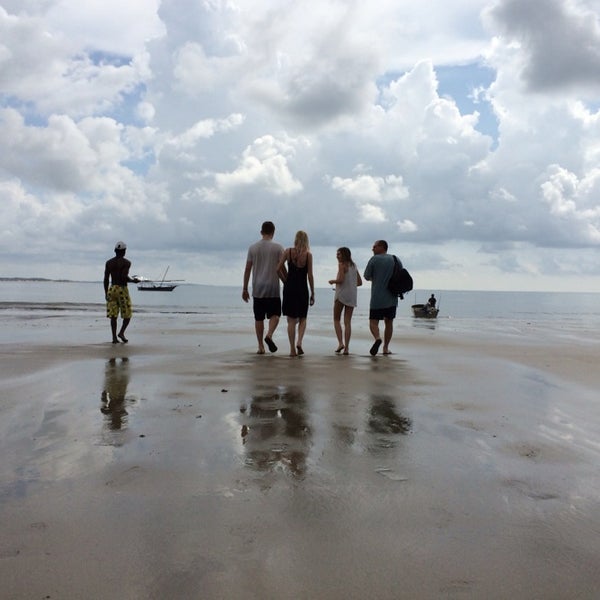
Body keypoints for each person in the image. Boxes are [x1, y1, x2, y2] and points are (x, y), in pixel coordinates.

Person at [242, 221, 285, 354]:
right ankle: (269, 335)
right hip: (273, 286)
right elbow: (282, 267)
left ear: (261, 232)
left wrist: (245, 288)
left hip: (258, 287)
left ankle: (260, 346)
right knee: (276, 315)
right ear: (273, 232)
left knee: (258, 318)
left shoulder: (253, 248)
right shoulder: (278, 248)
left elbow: (248, 269)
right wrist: (288, 282)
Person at [277, 230, 315, 357]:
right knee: (303, 318)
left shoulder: (288, 251)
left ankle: (292, 349)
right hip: (302, 289)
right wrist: (313, 292)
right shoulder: (308, 255)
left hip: (289, 289)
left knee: (291, 321)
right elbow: (310, 275)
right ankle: (299, 342)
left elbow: (277, 269)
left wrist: (285, 281)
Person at [363, 239, 399, 356]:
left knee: (373, 322)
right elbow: (400, 274)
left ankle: (378, 338)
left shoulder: (374, 259)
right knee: (389, 322)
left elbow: (366, 276)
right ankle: (386, 348)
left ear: (382, 247)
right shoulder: (395, 259)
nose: (372, 248)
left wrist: (376, 278)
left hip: (377, 298)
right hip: (392, 298)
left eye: (374, 246)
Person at [328, 247, 362, 355]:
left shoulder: (342, 265)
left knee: (336, 319)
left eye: (339, 254)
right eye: (337, 254)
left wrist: (333, 281)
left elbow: (341, 280)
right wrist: (350, 285)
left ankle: (340, 343)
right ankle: (347, 348)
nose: (337, 256)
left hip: (341, 295)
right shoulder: (354, 266)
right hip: (352, 296)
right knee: (347, 322)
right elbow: (360, 282)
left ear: (344, 255)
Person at [104, 241, 138, 344]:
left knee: (113, 315)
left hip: (112, 288)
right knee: (127, 314)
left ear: (115, 251)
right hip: (122, 290)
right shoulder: (126, 263)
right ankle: (121, 332)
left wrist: (106, 292)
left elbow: (106, 278)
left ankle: (114, 338)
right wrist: (132, 280)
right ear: (124, 251)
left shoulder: (109, 262)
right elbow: (123, 277)